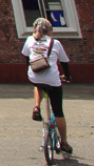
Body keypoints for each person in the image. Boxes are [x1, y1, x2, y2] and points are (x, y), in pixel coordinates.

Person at [22, 17, 72, 154]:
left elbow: (27, 57)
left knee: (38, 85)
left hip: (34, 74)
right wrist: (67, 76)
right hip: (52, 79)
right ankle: (64, 143)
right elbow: (65, 63)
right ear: (49, 30)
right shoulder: (55, 43)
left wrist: (32, 71)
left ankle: (36, 107)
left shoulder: (29, 40)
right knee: (58, 111)